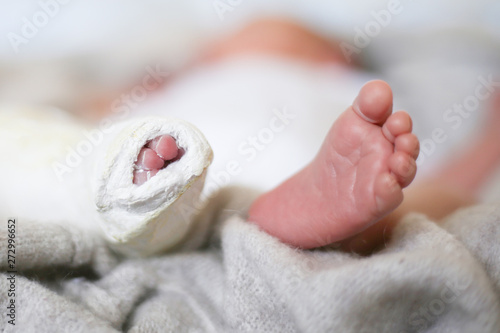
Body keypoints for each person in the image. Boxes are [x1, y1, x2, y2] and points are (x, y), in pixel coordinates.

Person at [129, 18, 500, 254]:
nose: (212, 53)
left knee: (431, 194)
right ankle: (343, 225)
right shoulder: (190, 83)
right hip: (191, 149)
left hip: (210, 163)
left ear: (332, 59)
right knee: (440, 193)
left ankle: (355, 221)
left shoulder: (337, 85)